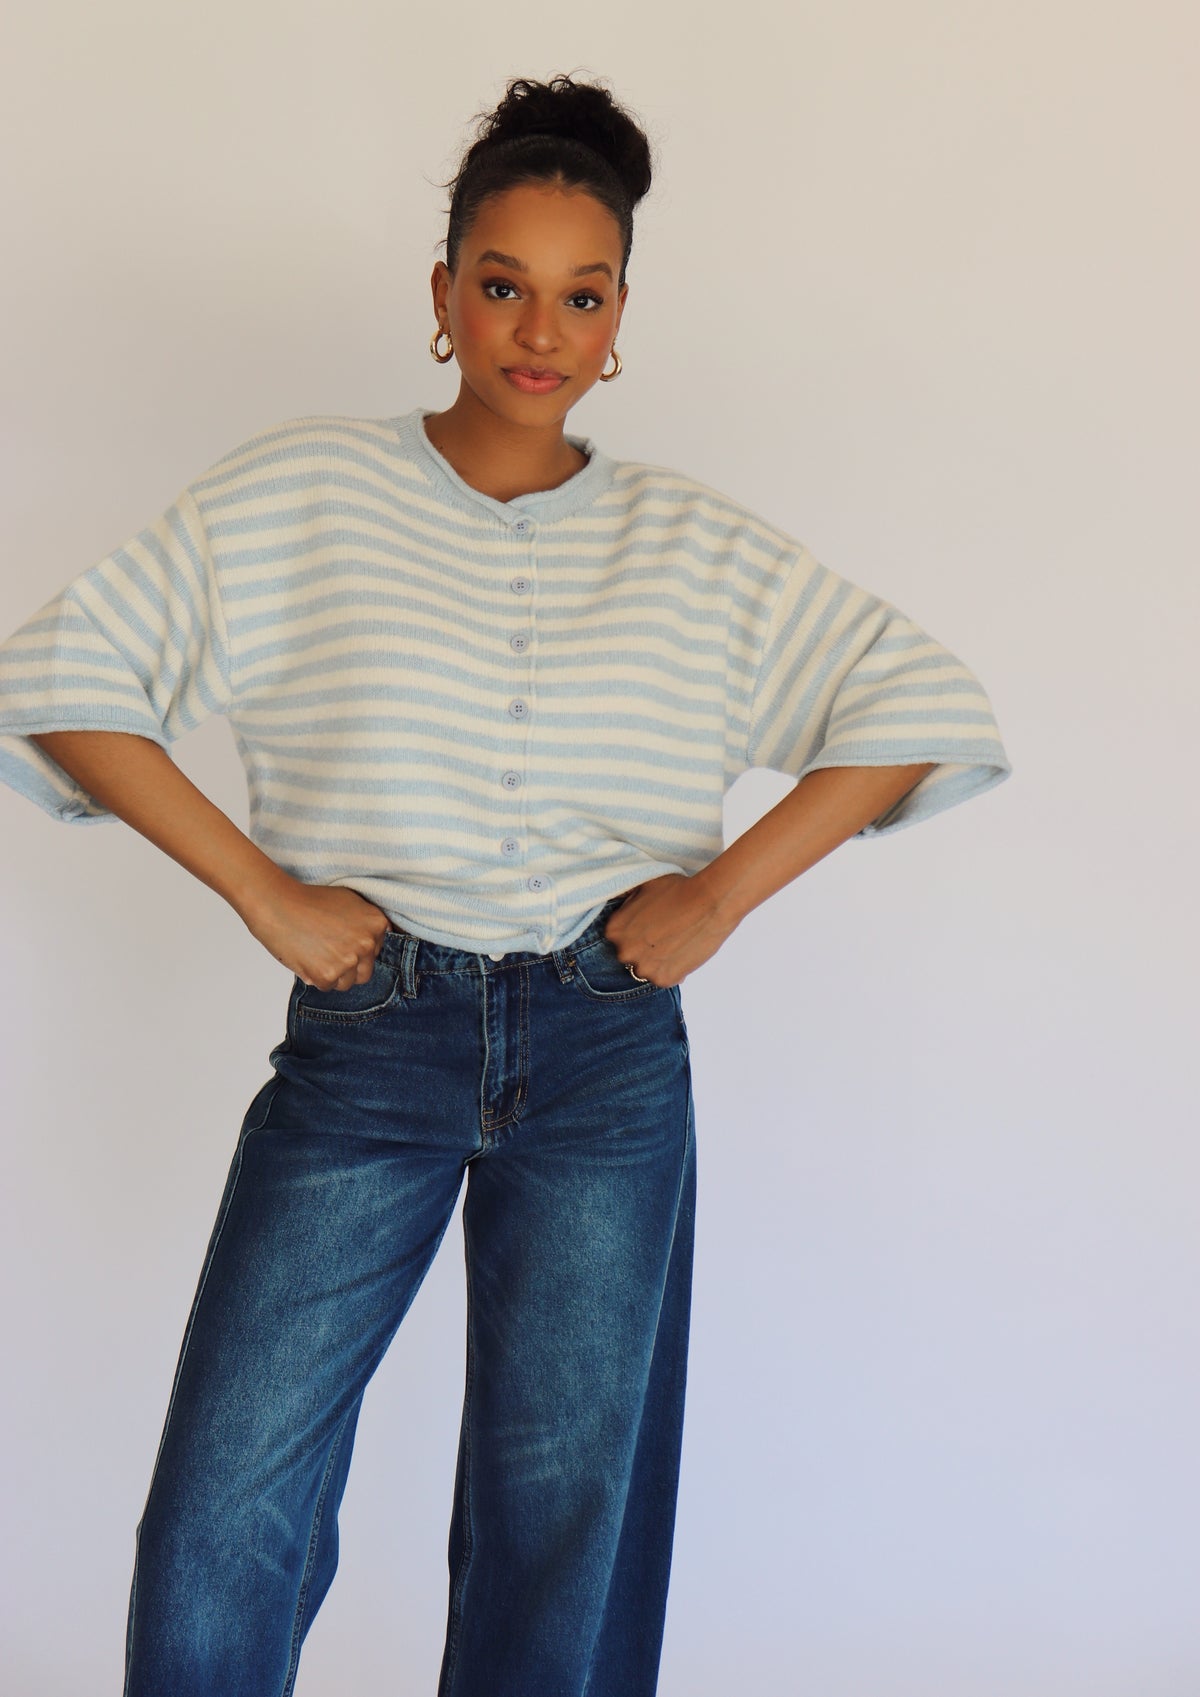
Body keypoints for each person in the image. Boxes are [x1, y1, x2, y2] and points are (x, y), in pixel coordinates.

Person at [0, 71, 1011, 1697]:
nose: (538, 330)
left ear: (620, 321)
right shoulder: (300, 497)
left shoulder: (697, 548)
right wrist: (263, 889)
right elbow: (61, 675)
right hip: (370, 1032)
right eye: (502, 284)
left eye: (581, 295)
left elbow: (923, 707)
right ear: (443, 296)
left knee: (567, 1513)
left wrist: (721, 894)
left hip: (607, 1053)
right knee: (226, 1505)